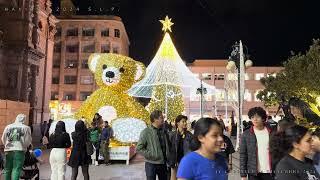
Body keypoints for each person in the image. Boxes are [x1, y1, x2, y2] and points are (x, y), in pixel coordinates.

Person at [240, 107, 274, 180]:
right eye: (252, 117)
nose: (255, 119)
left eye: (257, 117)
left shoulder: (272, 132)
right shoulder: (246, 134)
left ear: (263, 118)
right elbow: (243, 154)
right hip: (253, 172)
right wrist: (243, 175)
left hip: (270, 172)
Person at [137, 110, 170, 180]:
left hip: (163, 163)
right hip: (151, 164)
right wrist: (152, 154)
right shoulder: (146, 132)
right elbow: (139, 148)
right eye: (161, 117)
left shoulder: (164, 131)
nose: (163, 119)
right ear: (155, 119)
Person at [1, 114, 32, 180]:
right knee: (16, 169)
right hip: (19, 150)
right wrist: (25, 147)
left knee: (7, 169)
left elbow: (3, 138)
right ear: (24, 119)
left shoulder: (8, 127)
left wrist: (7, 145)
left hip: (8, 151)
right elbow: (27, 141)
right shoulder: (26, 128)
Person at [168, 115, 193, 180]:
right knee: (173, 177)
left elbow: (193, 148)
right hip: (175, 161)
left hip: (185, 161)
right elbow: (169, 148)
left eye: (185, 121)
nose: (185, 123)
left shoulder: (189, 135)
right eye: (183, 121)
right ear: (178, 123)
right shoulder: (172, 135)